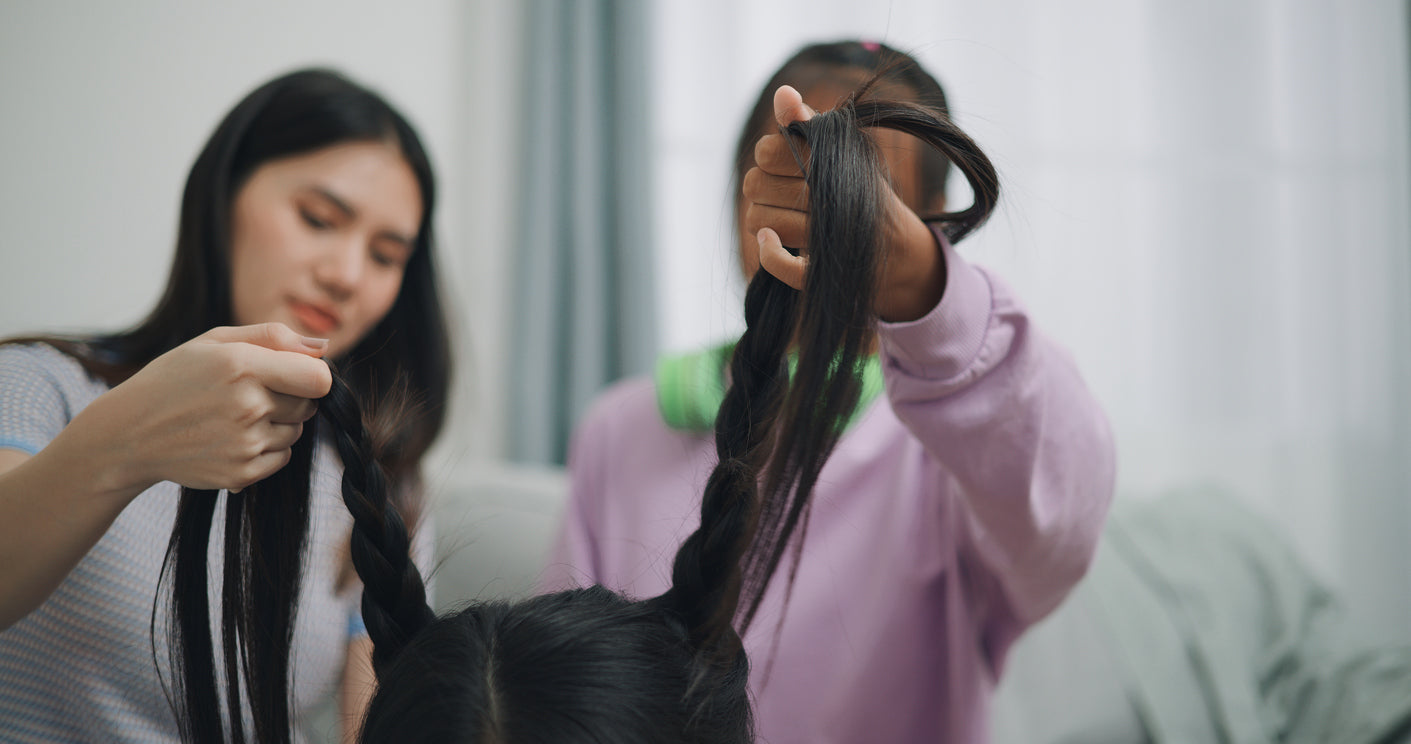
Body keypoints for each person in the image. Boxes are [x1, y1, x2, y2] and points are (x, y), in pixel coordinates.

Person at [543, 40, 1117, 743]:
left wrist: (924, 289)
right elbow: (560, 688)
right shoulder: (622, 430)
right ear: (741, 192)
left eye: (863, 197)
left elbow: (1060, 511)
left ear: (933, 217)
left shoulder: (960, 457)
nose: (818, 220)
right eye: (789, 184)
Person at [0, 68, 450, 742]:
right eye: (318, 219)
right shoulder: (39, 387)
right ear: (223, 194)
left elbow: (386, 724)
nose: (347, 275)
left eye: (385, 257)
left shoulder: (381, 481)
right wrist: (128, 443)